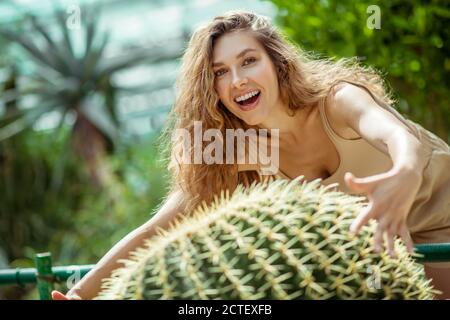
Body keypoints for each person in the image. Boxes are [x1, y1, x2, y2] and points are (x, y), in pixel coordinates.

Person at [52, 10, 450, 300]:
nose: (237, 80)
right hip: (386, 258)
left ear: (276, 63)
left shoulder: (337, 99)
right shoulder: (236, 152)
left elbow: (396, 135)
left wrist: (406, 172)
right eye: (220, 72)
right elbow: (159, 227)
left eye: (248, 61)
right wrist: (81, 294)